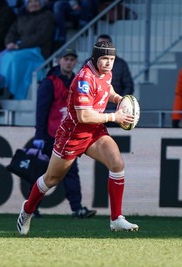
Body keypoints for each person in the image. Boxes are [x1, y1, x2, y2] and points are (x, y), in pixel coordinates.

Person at [17, 40, 139, 235]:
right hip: (72, 135)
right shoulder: (84, 78)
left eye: (112, 59)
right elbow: (84, 116)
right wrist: (114, 117)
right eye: (105, 59)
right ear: (95, 58)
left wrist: (118, 99)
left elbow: (107, 90)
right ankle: (27, 210)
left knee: (117, 164)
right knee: (51, 179)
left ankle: (116, 218)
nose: (109, 63)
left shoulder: (105, 72)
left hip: (94, 131)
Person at [32, 47, 96, 218]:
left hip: (69, 136)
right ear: (59, 61)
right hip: (51, 136)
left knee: (71, 172)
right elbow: (41, 111)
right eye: (66, 59)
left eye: (72, 60)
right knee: (46, 175)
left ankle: (77, 208)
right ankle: (32, 207)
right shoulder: (49, 82)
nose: (69, 62)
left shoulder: (78, 81)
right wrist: (39, 136)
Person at [0, 0, 54, 100]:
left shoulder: (47, 16)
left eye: (37, 1)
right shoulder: (22, 17)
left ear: (41, 3)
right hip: (19, 48)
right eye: (30, 2)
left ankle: (9, 90)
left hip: (37, 51)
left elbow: (41, 37)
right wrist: (9, 43)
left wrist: (20, 45)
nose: (33, 4)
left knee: (13, 59)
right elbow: (11, 32)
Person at [96, 34, 134, 112]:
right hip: (95, 110)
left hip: (115, 109)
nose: (104, 48)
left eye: (106, 44)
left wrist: (120, 102)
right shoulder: (89, 64)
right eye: (101, 45)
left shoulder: (121, 64)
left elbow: (129, 86)